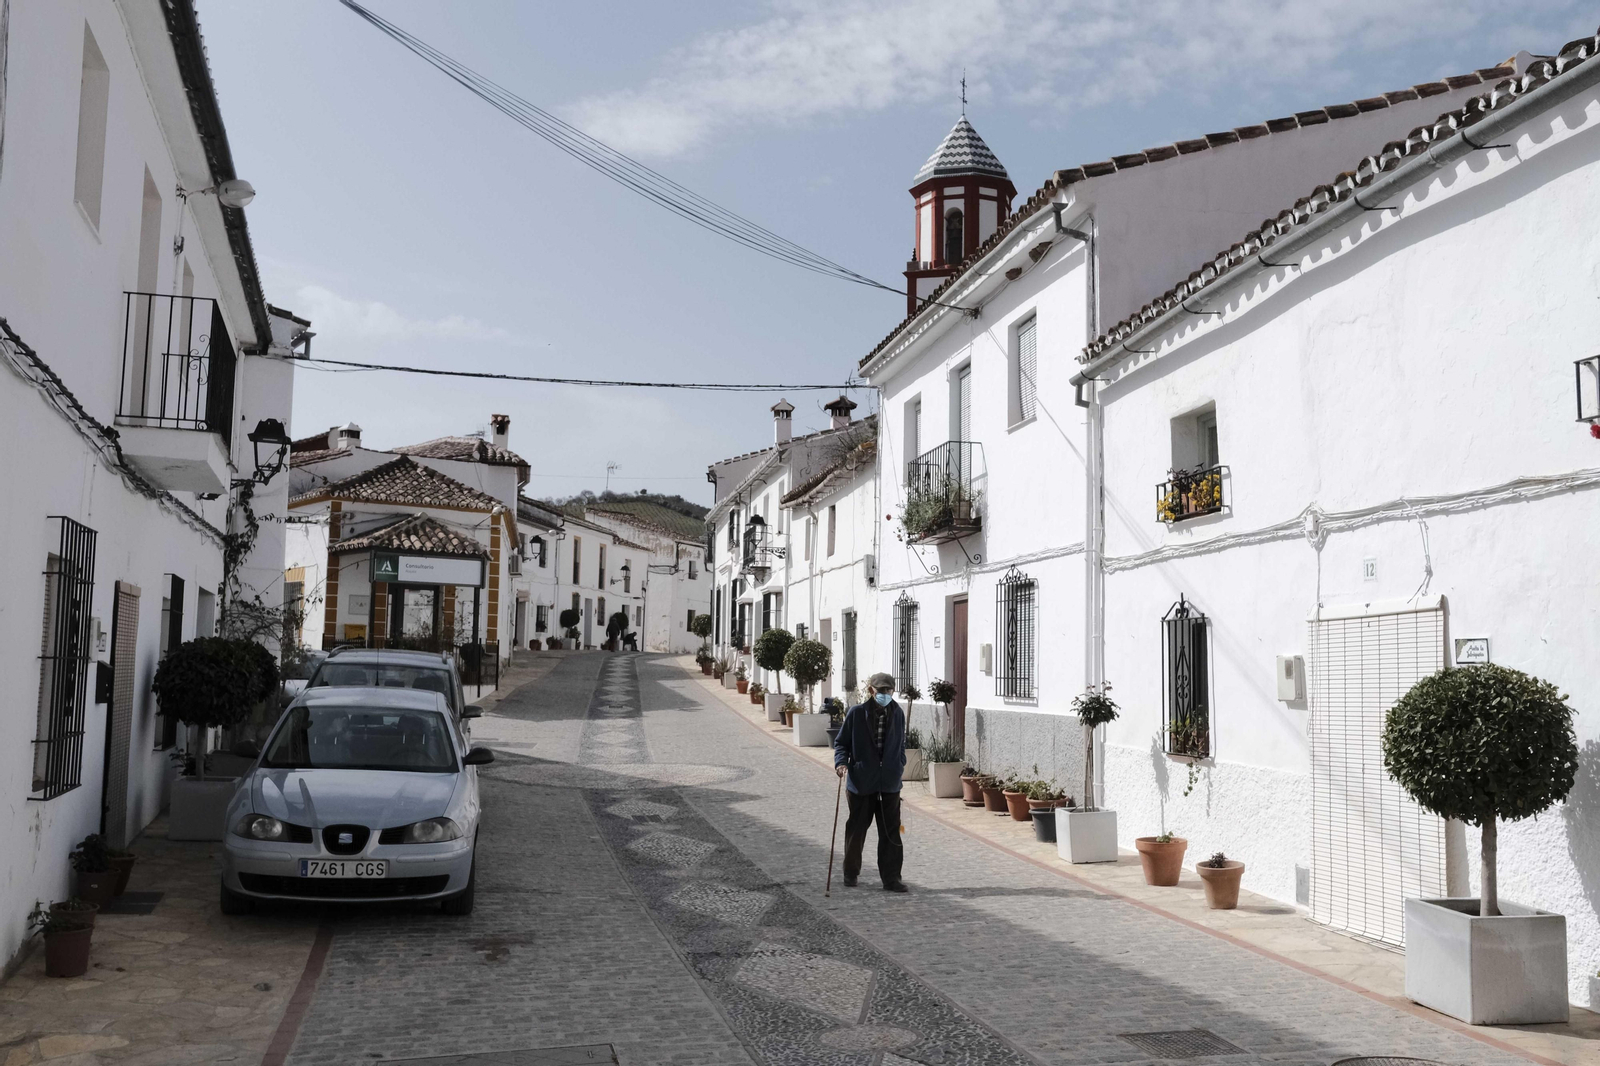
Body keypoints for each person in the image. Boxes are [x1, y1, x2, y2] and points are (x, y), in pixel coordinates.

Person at [833, 672, 908, 892]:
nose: (885, 694)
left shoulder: (898, 713)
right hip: (862, 783)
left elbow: (901, 743)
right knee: (856, 830)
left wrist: (899, 763)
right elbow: (841, 743)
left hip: (889, 784)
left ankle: (892, 879)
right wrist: (841, 763)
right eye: (881, 690)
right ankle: (850, 872)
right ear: (871, 691)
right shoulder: (857, 713)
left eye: (889, 690)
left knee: (891, 833)